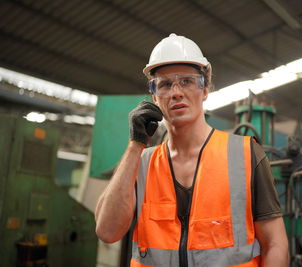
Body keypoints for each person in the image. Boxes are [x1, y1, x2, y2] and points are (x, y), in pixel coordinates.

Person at [95, 33, 288, 267]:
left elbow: (275, 243)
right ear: (154, 96)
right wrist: (136, 144)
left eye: (186, 81)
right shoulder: (141, 162)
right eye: (165, 84)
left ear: (204, 89)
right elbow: (107, 231)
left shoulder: (246, 155)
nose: (176, 92)